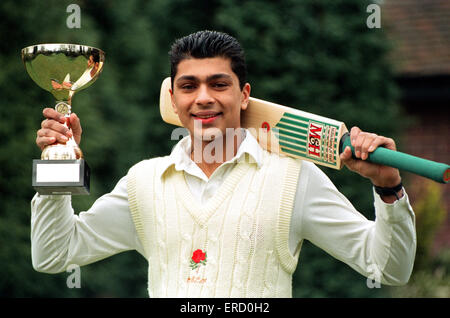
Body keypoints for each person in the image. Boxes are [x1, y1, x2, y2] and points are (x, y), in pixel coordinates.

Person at [32, 30, 416, 298]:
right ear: (174, 96)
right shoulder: (143, 183)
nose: (203, 98)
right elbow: (54, 254)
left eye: (218, 84)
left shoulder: (292, 178)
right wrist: (58, 159)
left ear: (244, 94)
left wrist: (388, 189)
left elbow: (386, 268)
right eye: (188, 86)